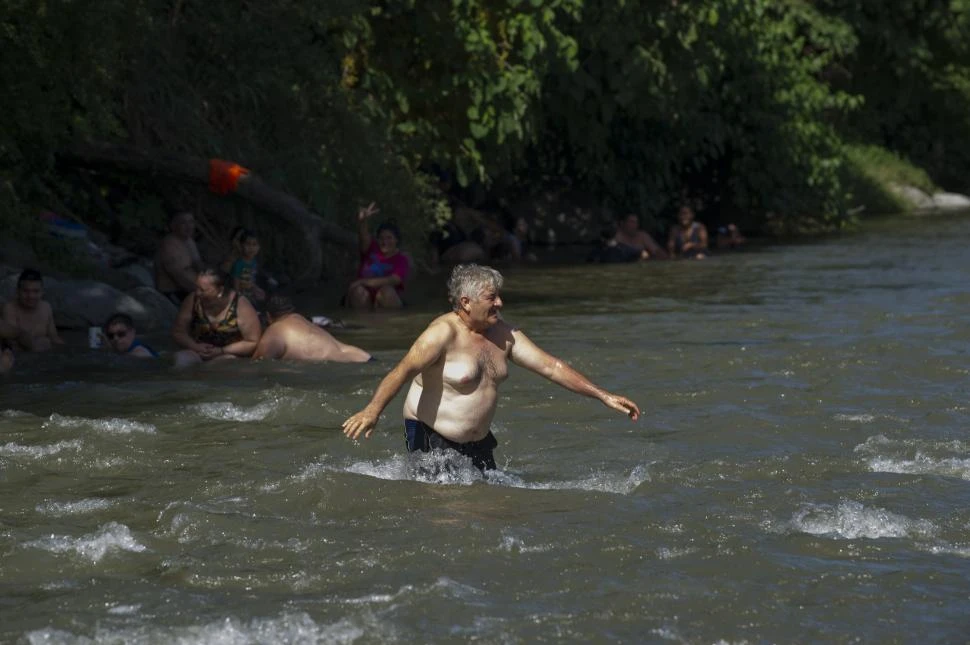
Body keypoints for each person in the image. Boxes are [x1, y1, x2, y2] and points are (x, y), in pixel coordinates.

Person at [342, 264, 641, 472]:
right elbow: (402, 371)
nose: (500, 301)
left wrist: (603, 395)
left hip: (478, 442)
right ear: (466, 302)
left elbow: (551, 367)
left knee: (489, 506)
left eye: (498, 295)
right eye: (491, 297)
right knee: (447, 513)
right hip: (429, 435)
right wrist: (372, 411)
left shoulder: (505, 335)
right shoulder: (440, 334)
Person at [171, 267, 261, 368]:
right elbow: (178, 332)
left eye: (203, 290)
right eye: (197, 288)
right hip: (197, 351)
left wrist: (222, 351)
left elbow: (252, 341)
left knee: (227, 362)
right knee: (181, 358)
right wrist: (194, 346)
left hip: (228, 355)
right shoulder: (193, 300)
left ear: (220, 290)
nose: (197, 293)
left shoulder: (240, 304)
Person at [253, 294, 371, 362]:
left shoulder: (274, 330)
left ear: (268, 316)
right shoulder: (303, 321)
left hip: (345, 365)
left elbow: (259, 363)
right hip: (362, 357)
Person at [345, 202, 410, 310]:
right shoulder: (371, 248)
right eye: (382, 238)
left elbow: (393, 280)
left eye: (389, 238)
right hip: (364, 296)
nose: (385, 241)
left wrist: (362, 281)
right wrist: (362, 221)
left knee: (386, 291)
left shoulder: (401, 259)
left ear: (396, 240)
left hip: (387, 299)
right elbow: (363, 234)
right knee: (358, 291)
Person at [2, 269, 64, 352]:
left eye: (36, 291)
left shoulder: (46, 307)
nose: (31, 296)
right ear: (18, 291)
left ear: (42, 292)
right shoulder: (10, 308)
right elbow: (11, 342)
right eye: (25, 291)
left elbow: (54, 337)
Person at [154, 211, 203, 306]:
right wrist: (203, 292)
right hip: (173, 293)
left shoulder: (189, 241)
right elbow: (179, 276)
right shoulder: (169, 245)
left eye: (191, 222)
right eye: (183, 223)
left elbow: (198, 264)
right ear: (173, 226)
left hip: (191, 288)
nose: (189, 226)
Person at [229, 229, 267, 308]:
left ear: (259, 247)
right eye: (248, 244)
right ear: (242, 245)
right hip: (241, 294)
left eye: (254, 244)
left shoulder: (254, 262)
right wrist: (238, 298)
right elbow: (236, 283)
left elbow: (251, 279)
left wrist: (256, 288)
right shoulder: (239, 264)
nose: (251, 248)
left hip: (249, 292)